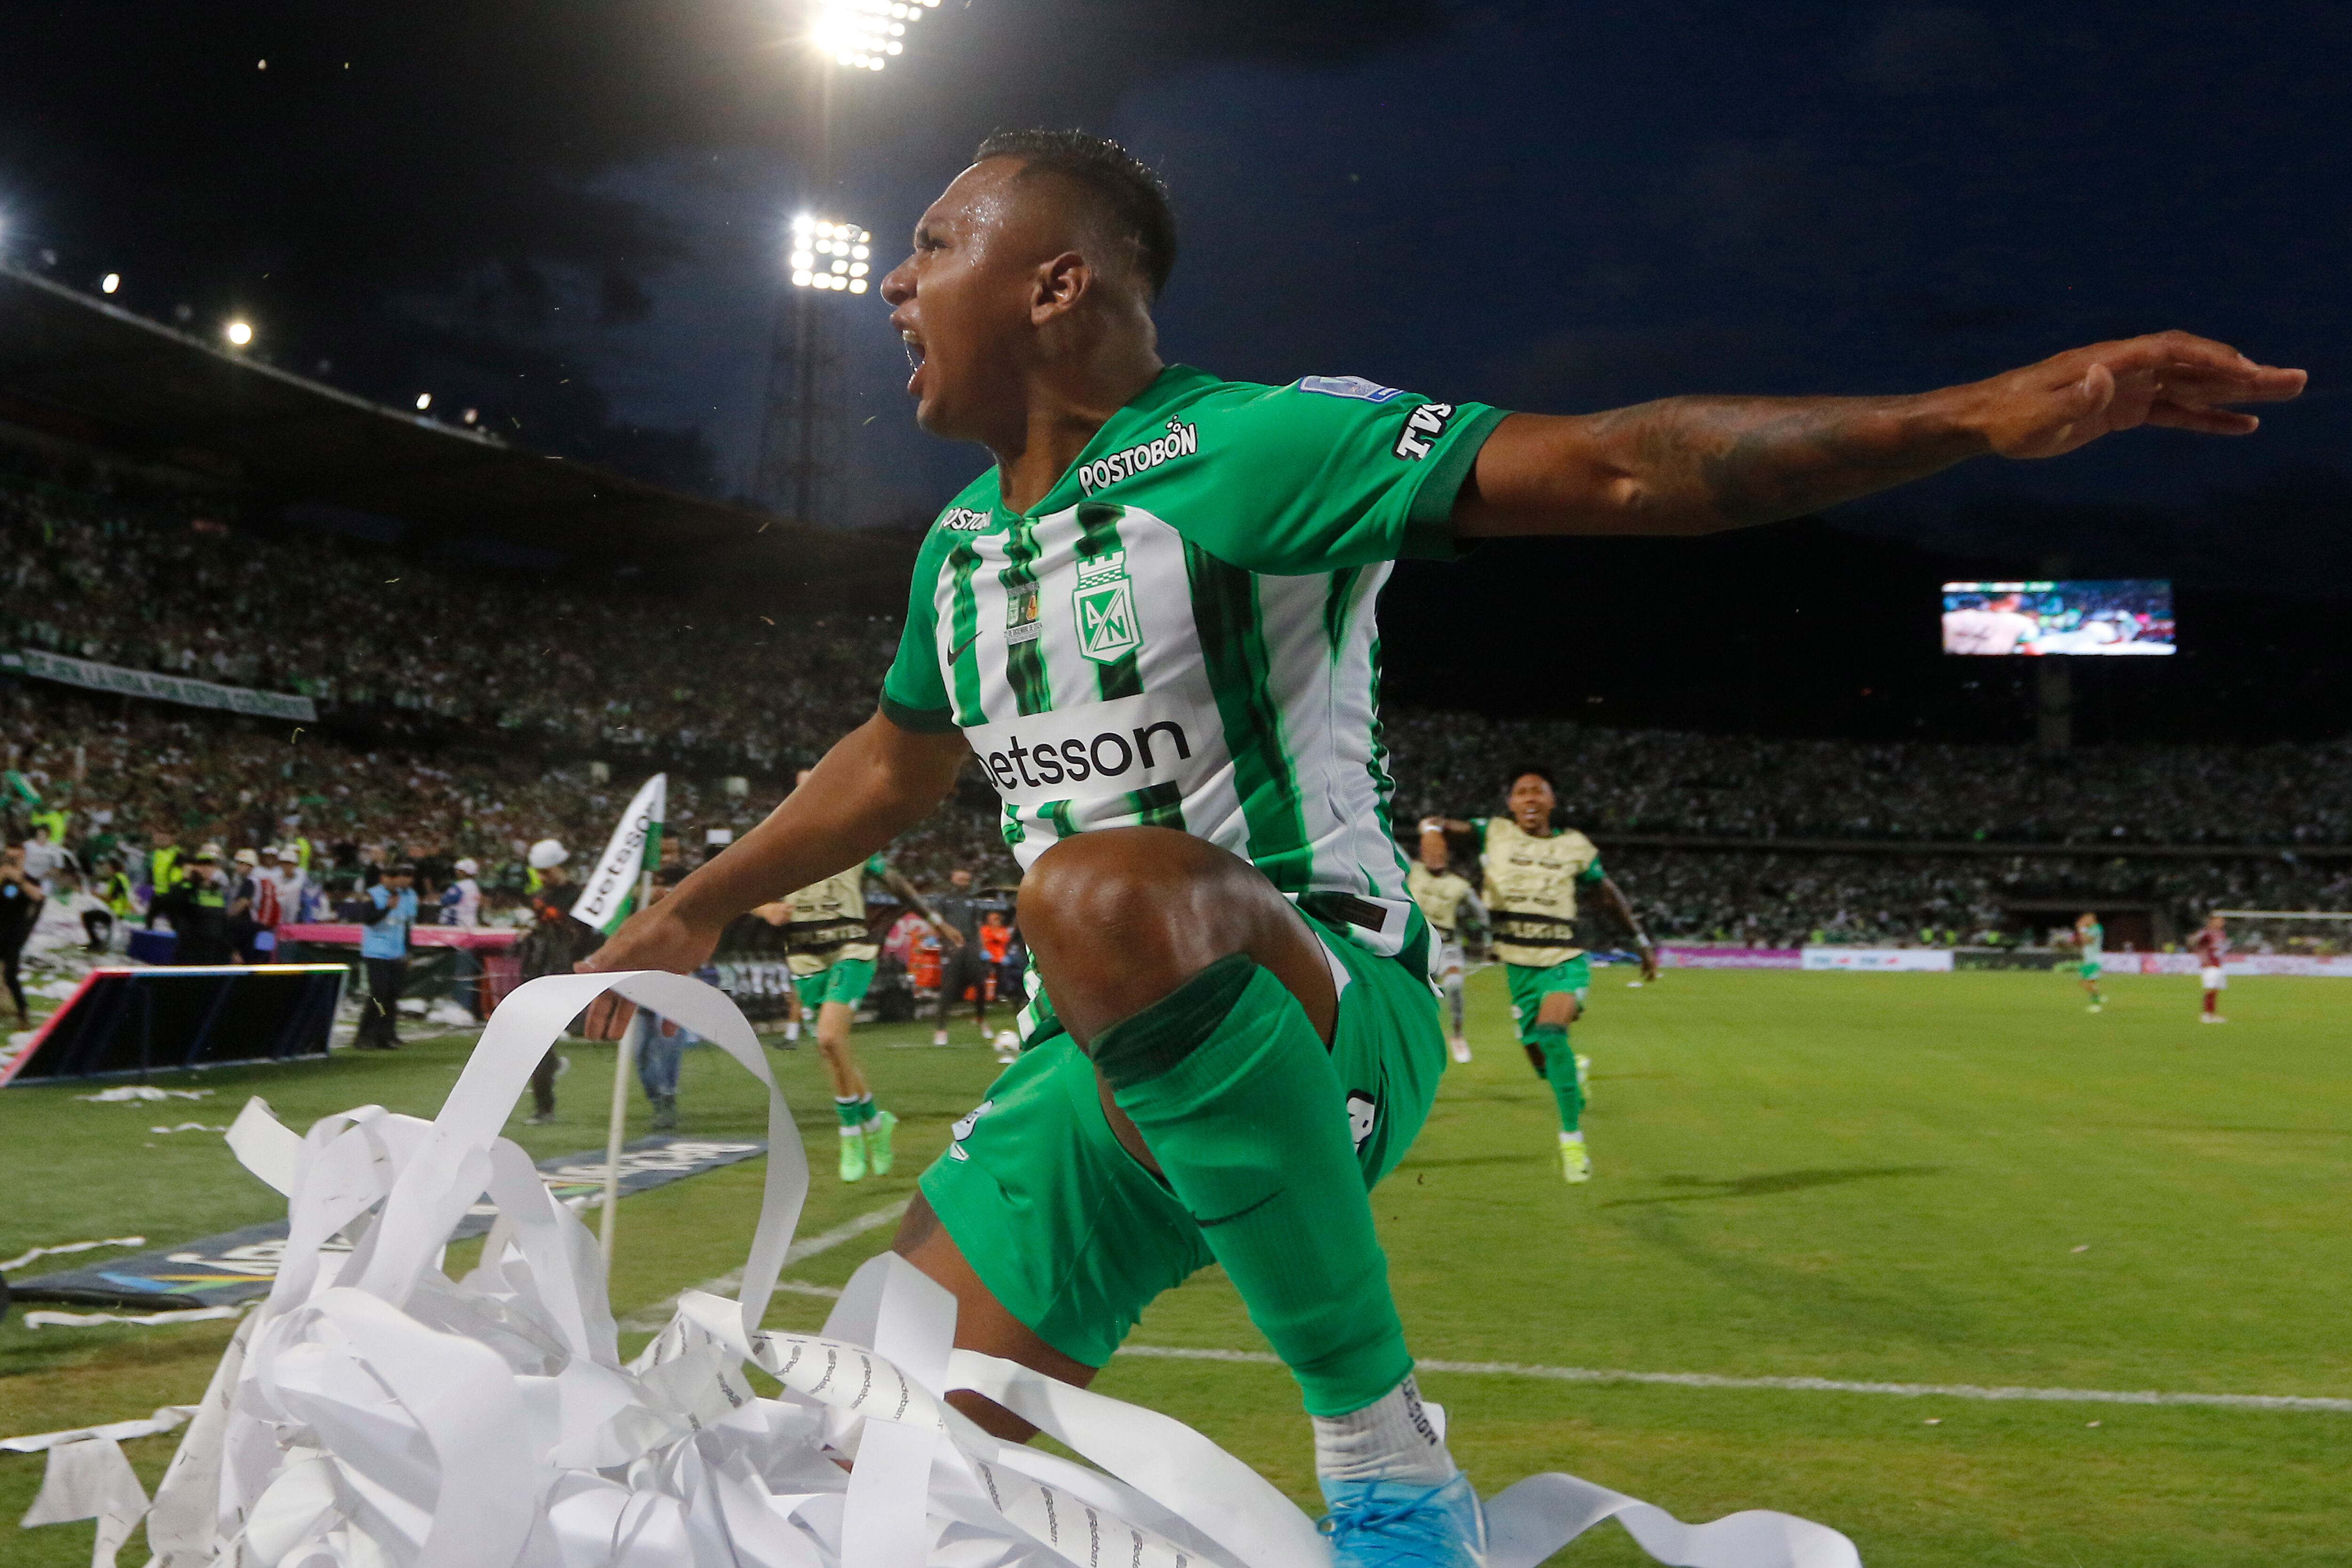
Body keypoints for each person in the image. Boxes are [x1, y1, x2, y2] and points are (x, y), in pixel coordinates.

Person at [575, 129, 2300, 1561]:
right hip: (1077, 1078)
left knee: (1096, 886)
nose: (891, 277)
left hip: (1325, 1001)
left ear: (1055, 283)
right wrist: (689, 911)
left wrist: (1967, 418)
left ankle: (1389, 1466)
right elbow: (892, 760)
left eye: (936, 239)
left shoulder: (1250, 445)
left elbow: (1622, 471)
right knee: (839, 1471)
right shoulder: (959, 545)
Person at [1428, 767, 1656, 1184]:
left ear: (1552, 801)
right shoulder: (1493, 832)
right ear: (1511, 804)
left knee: (1552, 1034)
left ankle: (1572, 1139)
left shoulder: (1574, 846)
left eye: (1539, 791)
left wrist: (1639, 938)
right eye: (1521, 792)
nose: (1530, 798)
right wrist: (1431, 829)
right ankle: (1575, 1071)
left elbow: (1606, 894)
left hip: (1564, 958)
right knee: (1540, 1059)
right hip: (1519, 966)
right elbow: (1444, 824)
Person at [760, 770, 958, 1182]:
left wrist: (935, 921)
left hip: (851, 948)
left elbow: (896, 883)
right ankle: (873, 1123)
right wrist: (766, 910)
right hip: (805, 957)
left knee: (830, 1037)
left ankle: (850, 1133)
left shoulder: (857, 836)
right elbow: (738, 887)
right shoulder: (779, 840)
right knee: (832, 1050)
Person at [518, 839, 598, 1121]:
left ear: (561, 867)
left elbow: (585, 935)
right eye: (540, 872)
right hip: (539, 972)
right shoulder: (541, 896)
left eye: (547, 872)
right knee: (536, 1039)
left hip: (565, 975)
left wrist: (560, 921)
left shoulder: (581, 898)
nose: (542, 878)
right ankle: (544, 1102)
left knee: (543, 1038)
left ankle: (546, 1089)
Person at [1406, 823, 1486, 1063]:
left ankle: (1457, 1035)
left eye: (1439, 852)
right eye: (1429, 852)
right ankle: (1416, 1039)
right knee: (1416, 998)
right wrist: (1427, 828)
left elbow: (1480, 915)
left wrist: (1484, 939)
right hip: (1416, 945)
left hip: (1447, 945)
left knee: (1455, 984)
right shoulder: (1413, 871)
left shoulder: (1459, 885)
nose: (1434, 856)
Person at [634, 865, 695, 1131]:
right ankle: (657, 1099)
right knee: (640, 1053)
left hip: (674, 982)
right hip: (642, 983)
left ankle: (666, 1099)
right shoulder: (639, 905)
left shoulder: (686, 903)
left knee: (669, 1045)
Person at [355, 863, 418, 1049]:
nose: (396, 880)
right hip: (376, 952)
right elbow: (369, 919)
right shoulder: (374, 894)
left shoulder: (404, 897)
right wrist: (388, 908)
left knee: (392, 995)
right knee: (378, 994)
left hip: (396, 952)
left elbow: (405, 926)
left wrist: (408, 950)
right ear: (383, 878)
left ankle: (386, 1035)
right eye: (391, 876)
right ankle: (364, 1034)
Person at [930, 867, 991, 1046]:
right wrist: (942, 941)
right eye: (961, 879)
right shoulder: (944, 901)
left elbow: (977, 926)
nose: (964, 883)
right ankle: (941, 1030)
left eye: (967, 880)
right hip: (952, 947)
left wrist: (981, 949)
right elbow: (937, 923)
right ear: (953, 879)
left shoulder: (973, 902)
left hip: (971, 946)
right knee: (948, 988)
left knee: (980, 984)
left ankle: (981, 1019)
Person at [0, 844, 43, 1020]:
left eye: (15, 858)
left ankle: (23, 1012)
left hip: (14, 935)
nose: (11, 861)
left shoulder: (29, 879)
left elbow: (38, 897)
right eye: (8, 857)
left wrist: (19, 880)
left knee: (10, 975)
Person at [2190, 912, 2230, 1023]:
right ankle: (2206, 1015)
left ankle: (2211, 1014)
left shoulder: (2221, 934)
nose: (2222, 923)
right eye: (2219, 920)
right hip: (2209, 965)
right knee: (2210, 988)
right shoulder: (2206, 933)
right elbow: (2193, 941)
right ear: (2212, 921)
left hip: (2218, 964)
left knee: (2216, 990)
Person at [2074, 911, 2106, 1012]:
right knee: (2085, 983)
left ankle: (2097, 1005)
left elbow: (2087, 940)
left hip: (2093, 960)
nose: (2083, 921)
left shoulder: (2096, 928)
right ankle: (2098, 998)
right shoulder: (2091, 929)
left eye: (2085, 920)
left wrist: (2082, 929)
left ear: (2091, 920)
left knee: (2087, 982)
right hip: (2089, 960)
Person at [440, 857, 484, 927]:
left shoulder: (460, 886)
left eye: (460, 870)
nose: (457, 872)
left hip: (458, 920)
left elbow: (446, 901)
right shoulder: (474, 886)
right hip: (471, 920)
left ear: (465, 872)